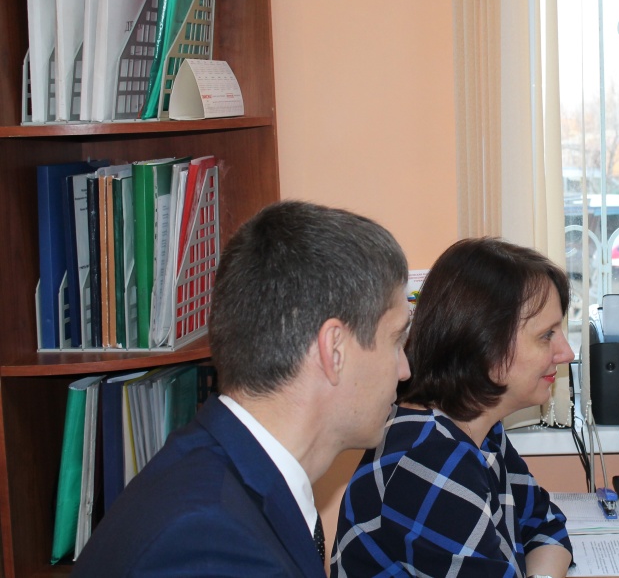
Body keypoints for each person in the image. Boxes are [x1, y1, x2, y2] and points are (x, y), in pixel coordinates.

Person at [73, 200, 411, 577]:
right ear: (334, 351)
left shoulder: (220, 480)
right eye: (396, 340)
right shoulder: (212, 543)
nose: (404, 370)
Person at [333, 237, 575, 578]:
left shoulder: (478, 428)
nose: (567, 353)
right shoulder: (428, 459)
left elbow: (545, 527)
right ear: (485, 344)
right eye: (546, 335)